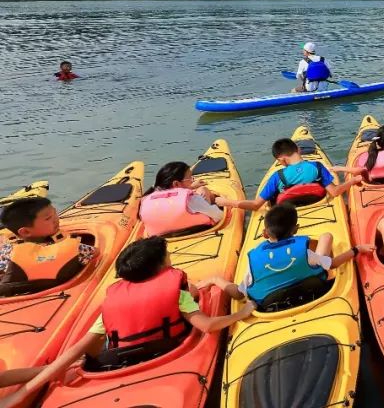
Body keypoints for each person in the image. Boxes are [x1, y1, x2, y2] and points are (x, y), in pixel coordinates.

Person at [0, 237, 255, 407]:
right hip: (166, 351)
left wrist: (23, 393)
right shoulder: (177, 294)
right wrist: (240, 314)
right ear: (161, 265)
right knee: (75, 361)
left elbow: (78, 348)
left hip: (115, 361)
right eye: (167, 256)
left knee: (80, 358)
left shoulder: (115, 301)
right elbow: (208, 326)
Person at [199, 203, 370, 309]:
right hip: (314, 292)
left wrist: (215, 280)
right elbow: (332, 264)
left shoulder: (254, 257)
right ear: (296, 230)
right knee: (326, 237)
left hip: (271, 306)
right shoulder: (305, 251)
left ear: (265, 234)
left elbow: (238, 294)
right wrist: (356, 250)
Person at [215, 138, 358, 212]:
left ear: (280, 159)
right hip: (317, 203)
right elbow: (334, 192)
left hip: (289, 211)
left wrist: (227, 202)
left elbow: (255, 205)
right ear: (298, 149)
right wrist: (354, 180)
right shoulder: (317, 167)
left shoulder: (277, 176)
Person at [0, 197, 96, 298]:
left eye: (55, 213)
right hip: (63, 292)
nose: (56, 219)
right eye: (48, 218)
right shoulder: (76, 249)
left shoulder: (7, 251)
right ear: (25, 232)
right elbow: (95, 252)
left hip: (20, 297)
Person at [139, 162, 224, 237]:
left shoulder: (145, 200)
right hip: (197, 232)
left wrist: (191, 187)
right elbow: (219, 216)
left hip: (162, 237)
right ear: (176, 183)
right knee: (204, 191)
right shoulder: (191, 199)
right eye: (190, 178)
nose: (192, 181)